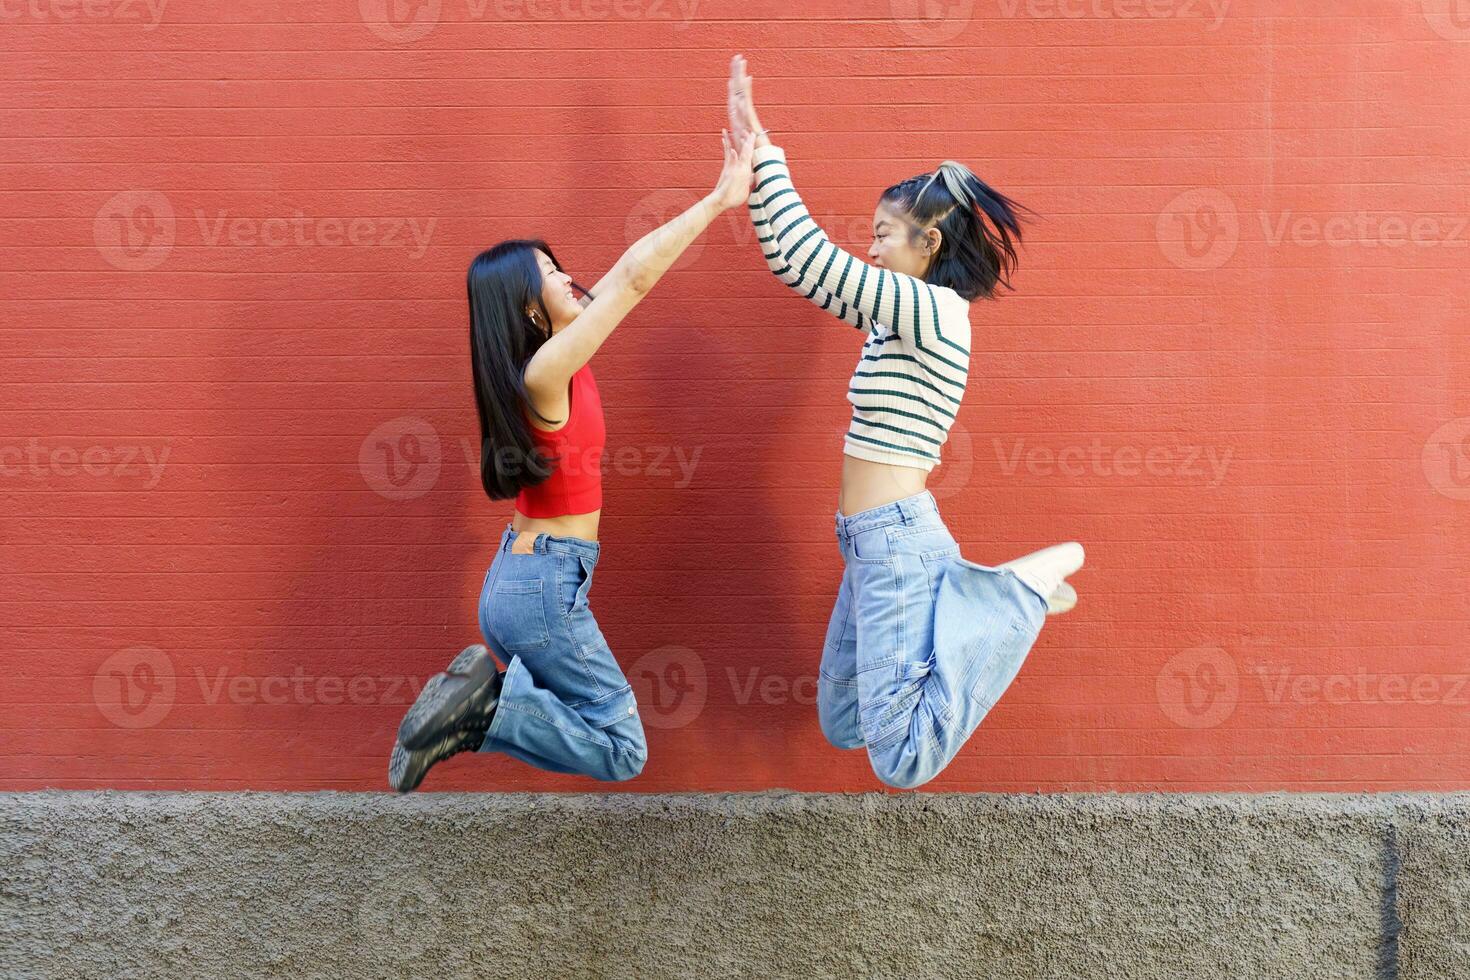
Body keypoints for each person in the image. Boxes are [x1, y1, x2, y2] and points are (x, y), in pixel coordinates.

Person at [727, 55, 1084, 789]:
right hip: (869, 542)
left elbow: (805, 262)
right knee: (841, 717)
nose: (872, 245)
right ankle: (981, 596)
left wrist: (767, 159)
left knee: (903, 759)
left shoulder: (933, 309)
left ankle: (1012, 594)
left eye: (886, 233)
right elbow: (806, 269)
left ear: (930, 245)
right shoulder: (901, 316)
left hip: (896, 541)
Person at [387, 127, 759, 792]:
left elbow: (624, 271)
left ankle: (485, 708)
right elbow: (637, 281)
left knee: (607, 738)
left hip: (531, 582)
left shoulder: (559, 359)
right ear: (529, 308)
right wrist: (713, 203)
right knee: (623, 750)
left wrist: (722, 195)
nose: (571, 275)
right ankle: (486, 710)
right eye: (551, 274)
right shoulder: (545, 373)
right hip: (540, 591)